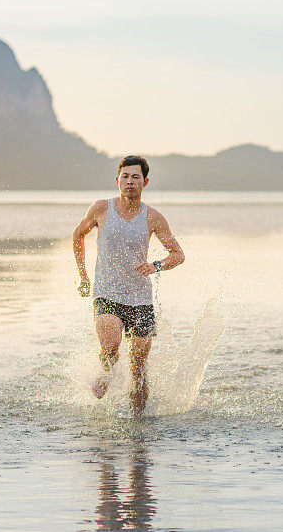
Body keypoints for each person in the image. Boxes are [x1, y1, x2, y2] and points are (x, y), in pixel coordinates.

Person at [72, 155, 185, 416]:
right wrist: (83, 275)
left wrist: (155, 265)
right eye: (125, 176)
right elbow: (78, 234)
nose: (130, 182)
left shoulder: (153, 217)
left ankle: (139, 421)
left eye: (135, 177)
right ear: (117, 179)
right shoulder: (101, 208)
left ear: (145, 182)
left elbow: (177, 255)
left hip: (140, 298)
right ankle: (105, 373)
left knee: (138, 366)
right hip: (107, 292)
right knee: (111, 347)